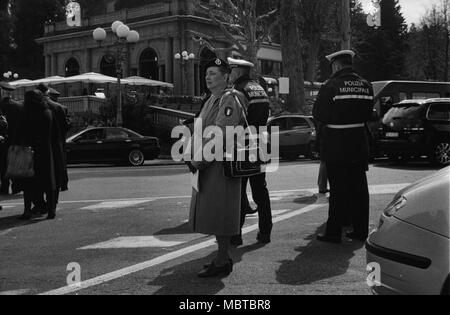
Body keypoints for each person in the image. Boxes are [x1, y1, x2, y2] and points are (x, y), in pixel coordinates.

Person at [187, 58, 245, 278]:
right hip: (210, 164)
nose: (207, 77)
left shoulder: (229, 99)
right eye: (206, 74)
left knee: (221, 213)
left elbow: (220, 133)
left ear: (226, 77)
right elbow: (201, 129)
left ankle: (222, 260)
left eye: (213, 73)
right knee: (214, 212)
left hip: (221, 165)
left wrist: (198, 161)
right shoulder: (213, 98)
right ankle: (222, 258)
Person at [313, 50, 374, 244]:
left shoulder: (331, 85)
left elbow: (319, 113)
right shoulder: (366, 85)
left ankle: (333, 232)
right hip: (359, 141)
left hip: (337, 143)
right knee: (360, 190)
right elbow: (369, 114)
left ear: (337, 66)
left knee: (338, 190)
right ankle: (360, 230)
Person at [227, 57, 272, 246]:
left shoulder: (237, 92)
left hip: (242, 145)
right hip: (260, 142)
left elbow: (234, 120)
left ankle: (236, 234)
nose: (229, 75)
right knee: (260, 189)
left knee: (238, 191)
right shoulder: (259, 88)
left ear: (237, 72)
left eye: (231, 71)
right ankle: (265, 231)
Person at [15, 90, 64, 220]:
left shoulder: (26, 114)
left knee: (29, 184)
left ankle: (28, 210)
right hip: (47, 152)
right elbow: (56, 135)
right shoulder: (48, 113)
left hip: (29, 153)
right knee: (49, 182)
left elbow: (20, 133)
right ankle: (51, 210)